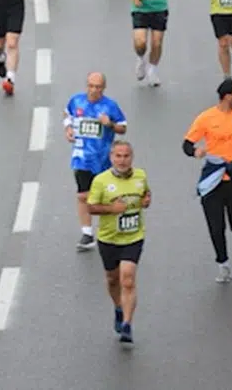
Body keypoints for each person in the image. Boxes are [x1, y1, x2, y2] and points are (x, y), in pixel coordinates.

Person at [183, 79, 232, 284]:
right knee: (216, 226)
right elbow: (187, 144)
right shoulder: (206, 117)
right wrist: (195, 152)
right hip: (214, 177)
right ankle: (223, 264)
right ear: (227, 96)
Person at [85, 141, 150, 345]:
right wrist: (111, 209)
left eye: (126, 156)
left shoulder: (140, 176)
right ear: (111, 158)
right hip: (109, 238)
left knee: (127, 279)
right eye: (118, 156)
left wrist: (146, 201)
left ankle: (127, 325)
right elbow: (91, 207)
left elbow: (145, 194)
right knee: (113, 279)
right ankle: (119, 308)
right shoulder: (101, 180)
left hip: (133, 236)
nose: (122, 160)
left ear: (132, 157)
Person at [64, 72, 127, 251]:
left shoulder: (110, 106)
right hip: (82, 157)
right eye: (91, 86)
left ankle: (113, 230)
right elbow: (67, 114)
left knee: (108, 196)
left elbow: (123, 127)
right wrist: (68, 128)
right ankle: (87, 233)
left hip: (103, 158)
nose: (94, 90)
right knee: (83, 196)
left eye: (98, 87)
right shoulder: (76, 101)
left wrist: (110, 124)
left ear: (103, 88)